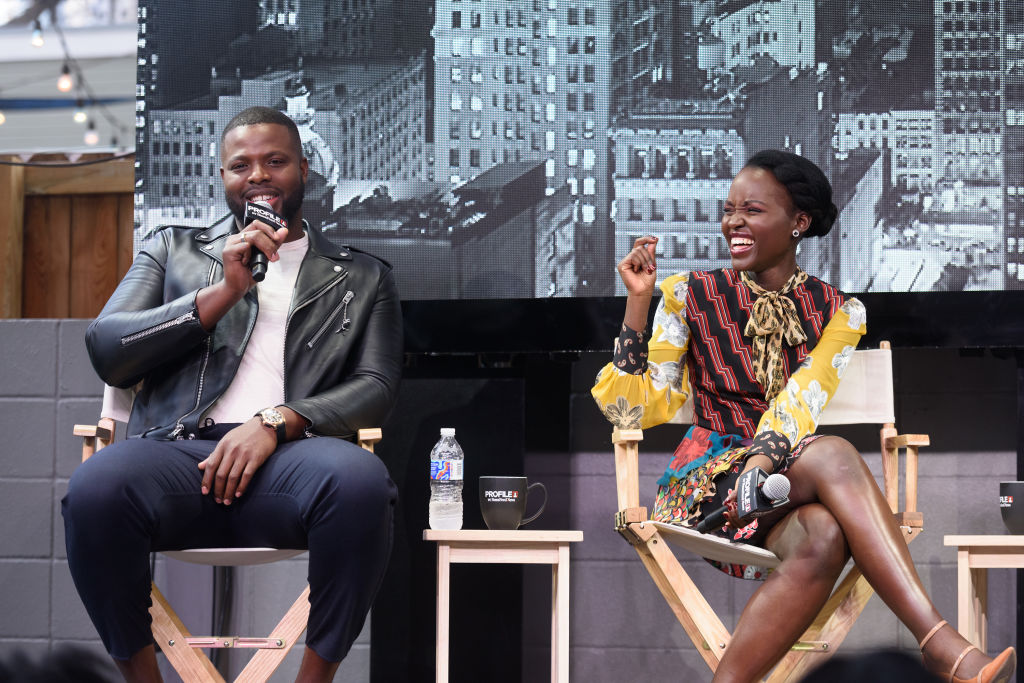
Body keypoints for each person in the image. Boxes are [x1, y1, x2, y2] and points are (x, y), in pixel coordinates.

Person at [592, 150, 1015, 683]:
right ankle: (939, 645)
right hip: (708, 490)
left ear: (798, 223)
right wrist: (638, 303)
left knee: (823, 536)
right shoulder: (688, 295)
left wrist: (765, 458)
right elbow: (628, 408)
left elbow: (803, 398)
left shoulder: (839, 311)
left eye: (751, 210)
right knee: (833, 452)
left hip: (779, 483)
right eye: (728, 210)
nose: (734, 223)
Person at [62, 106, 403, 683]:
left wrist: (277, 422)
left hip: (295, 460)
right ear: (223, 178)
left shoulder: (364, 276)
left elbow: (376, 387)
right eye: (240, 165)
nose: (258, 176)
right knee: (95, 488)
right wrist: (221, 292)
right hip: (176, 455)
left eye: (276, 161)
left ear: (304, 170)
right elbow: (108, 348)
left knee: (364, 484)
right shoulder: (173, 248)